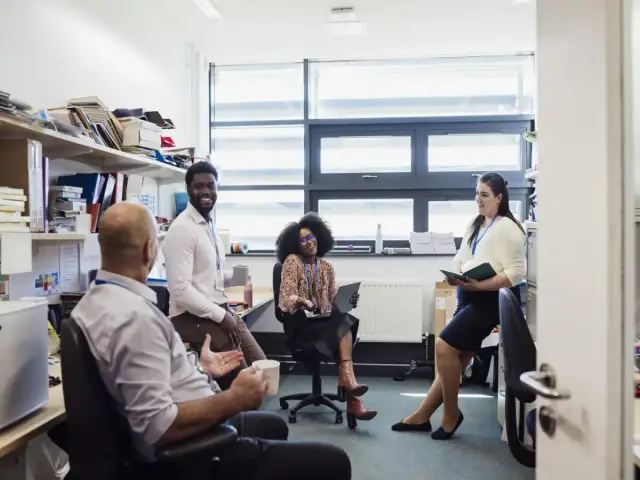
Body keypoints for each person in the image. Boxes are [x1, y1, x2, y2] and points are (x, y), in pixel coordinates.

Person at [71, 202, 351, 479]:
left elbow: (144, 377)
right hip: (196, 453)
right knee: (333, 461)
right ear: (149, 249)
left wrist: (201, 368)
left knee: (273, 425)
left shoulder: (92, 305)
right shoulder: (135, 318)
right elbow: (159, 426)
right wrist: (234, 398)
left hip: (191, 421)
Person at [392, 172, 525, 440]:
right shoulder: (476, 223)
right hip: (468, 295)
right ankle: (422, 415)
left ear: (499, 197)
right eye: (477, 194)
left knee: (444, 346)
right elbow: (462, 255)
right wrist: (456, 274)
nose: (478, 199)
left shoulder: (509, 228)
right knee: (456, 359)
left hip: (488, 300)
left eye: (484, 195)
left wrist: (478, 286)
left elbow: (515, 274)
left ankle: (451, 415)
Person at [163, 161, 266, 372]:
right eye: (199, 186)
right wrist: (221, 316)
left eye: (211, 185)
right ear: (188, 190)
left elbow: (208, 276)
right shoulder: (182, 229)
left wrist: (235, 278)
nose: (206, 191)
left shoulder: (208, 225)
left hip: (218, 310)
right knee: (245, 378)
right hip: (190, 317)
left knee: (262, 368)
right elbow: (180, 290)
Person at [276, 213, 377, 421]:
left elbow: (333, 302)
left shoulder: (326, 267)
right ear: (295, 244)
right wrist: (302, 301)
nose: (309, 242)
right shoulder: (292, 262)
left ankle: (349, 383)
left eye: (311, 236)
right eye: (303, 239)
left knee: (344, 319)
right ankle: (353, 397)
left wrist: (348, 300)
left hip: (322, 325)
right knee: (344, 326)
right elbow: (285, 297)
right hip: (302, 327)